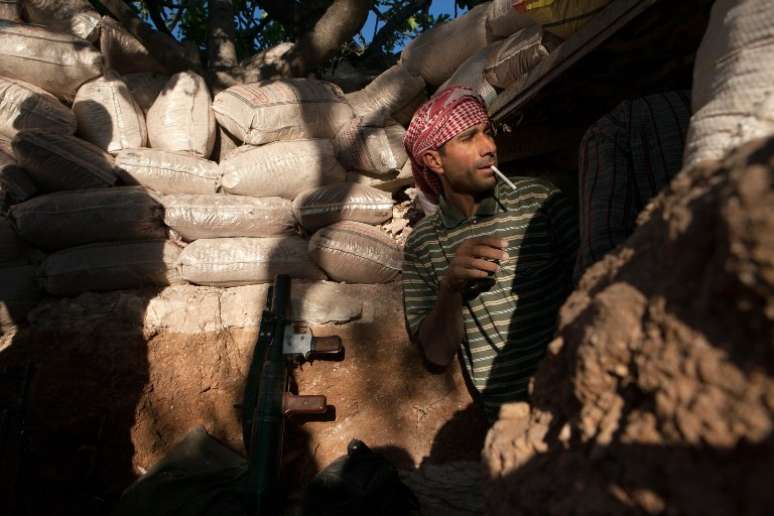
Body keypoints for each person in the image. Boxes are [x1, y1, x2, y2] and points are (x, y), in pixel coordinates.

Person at [401, 86, 578, 422]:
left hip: (580, 397)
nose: (489, 147)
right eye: (469, 137)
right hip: (510, 425)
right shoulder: (423, 245)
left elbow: (596, 282)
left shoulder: (538, 200)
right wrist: (451, 286)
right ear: (434, 160)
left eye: (487, 132)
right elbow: (436, 356)